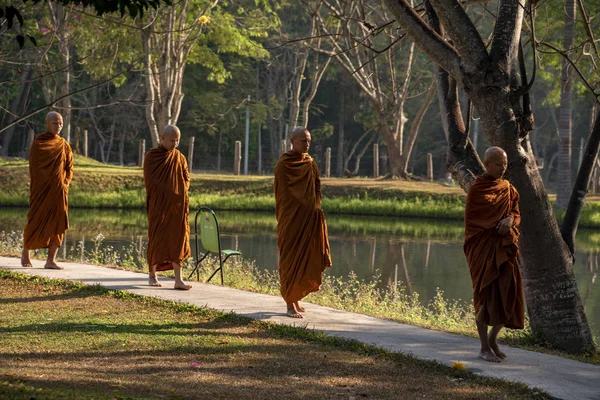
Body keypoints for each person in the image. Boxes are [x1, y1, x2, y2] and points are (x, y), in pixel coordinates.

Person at [464, 146, 525, 362]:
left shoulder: (508, 188)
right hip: (482, 250)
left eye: (505, 164)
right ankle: (483, 348)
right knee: (485, 295)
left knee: (509, 293)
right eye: (499, 164)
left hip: (504, 249)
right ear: (487, 164)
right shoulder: (476, 190)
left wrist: (510, 221)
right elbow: (474, 222)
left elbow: (516, 214)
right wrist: (495, 225)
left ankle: (493, 340)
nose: (503, 168)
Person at [274, 126, 332, 318]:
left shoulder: (310, 163)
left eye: (308, 141)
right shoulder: (284, 164)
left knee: (305, 258)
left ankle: (296, 299)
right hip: (291, 220)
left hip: (308, 218)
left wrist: (315, 207)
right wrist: (304, 204)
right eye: (303, 141)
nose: (306, 144)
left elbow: (317, 187)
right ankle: (289, 305)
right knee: (290, 260)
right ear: (292, 141)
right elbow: (285, 193)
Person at [21, 111, 73, 270]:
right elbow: (35, 168)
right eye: (55, 123)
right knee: (35, 219)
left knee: (59, 223)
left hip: (59, 192)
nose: (59, 126)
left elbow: (69, 167)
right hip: (41, 191)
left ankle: (50, 260)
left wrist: (64, 183)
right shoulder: (39, 143)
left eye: (61, 123)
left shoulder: (64, 144)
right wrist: (44, 183)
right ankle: (26, 250)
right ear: (47, 123)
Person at [144, 125, 192, 290]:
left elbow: (186, 179)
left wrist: (179, 192)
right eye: (172, 140)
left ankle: (178, 280)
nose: (175, 143)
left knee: (177, 239)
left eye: (177, 140)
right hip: (159, 206)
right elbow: (151, 181)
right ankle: (152, 275)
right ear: (161, 139)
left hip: (177, 207)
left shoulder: (180, 158)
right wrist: (169, 191)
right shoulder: (152, 157)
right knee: (157, 238)